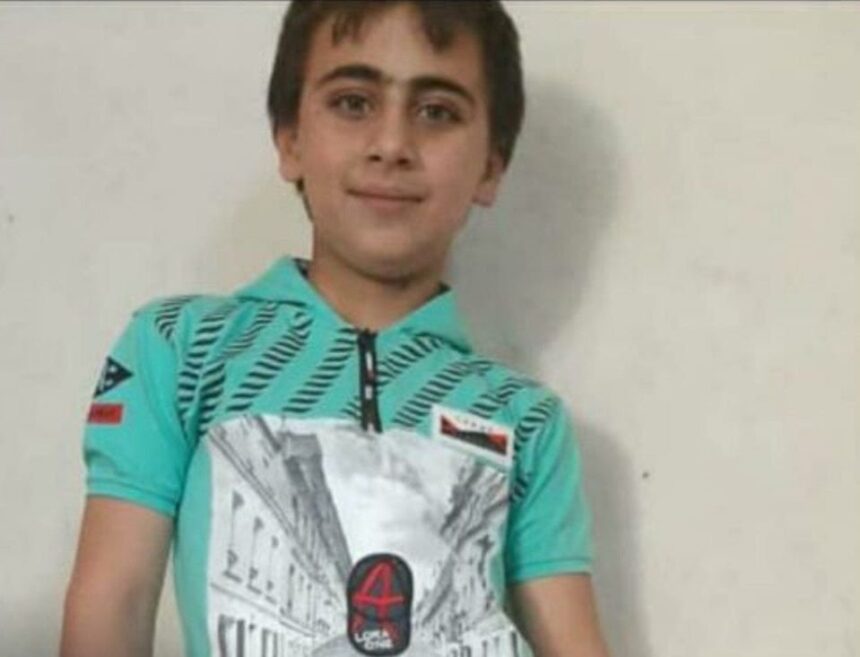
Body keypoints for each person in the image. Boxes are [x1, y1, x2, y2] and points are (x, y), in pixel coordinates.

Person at [60, 1, 610, 656]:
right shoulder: (181, 348)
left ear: (490, 166)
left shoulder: (527, 419)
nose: (392, 145)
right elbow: (112, 608)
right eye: (353, 102)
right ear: (290, 138)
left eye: (437, 111)